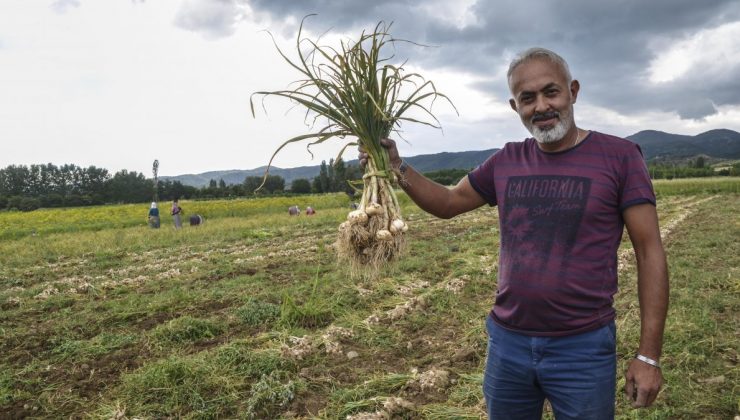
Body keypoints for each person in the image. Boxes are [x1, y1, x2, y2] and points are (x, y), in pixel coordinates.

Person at [359, 47, 668, 419]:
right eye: (527, 98)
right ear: (514, 106)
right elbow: (448, 202)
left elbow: (650, 252)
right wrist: (397, 168)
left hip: (582, 348)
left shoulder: (619, 157)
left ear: (573, 91)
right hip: (508, 345)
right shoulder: (506, 160)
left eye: (550, 92)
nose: (541, 106)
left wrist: (648, 355)